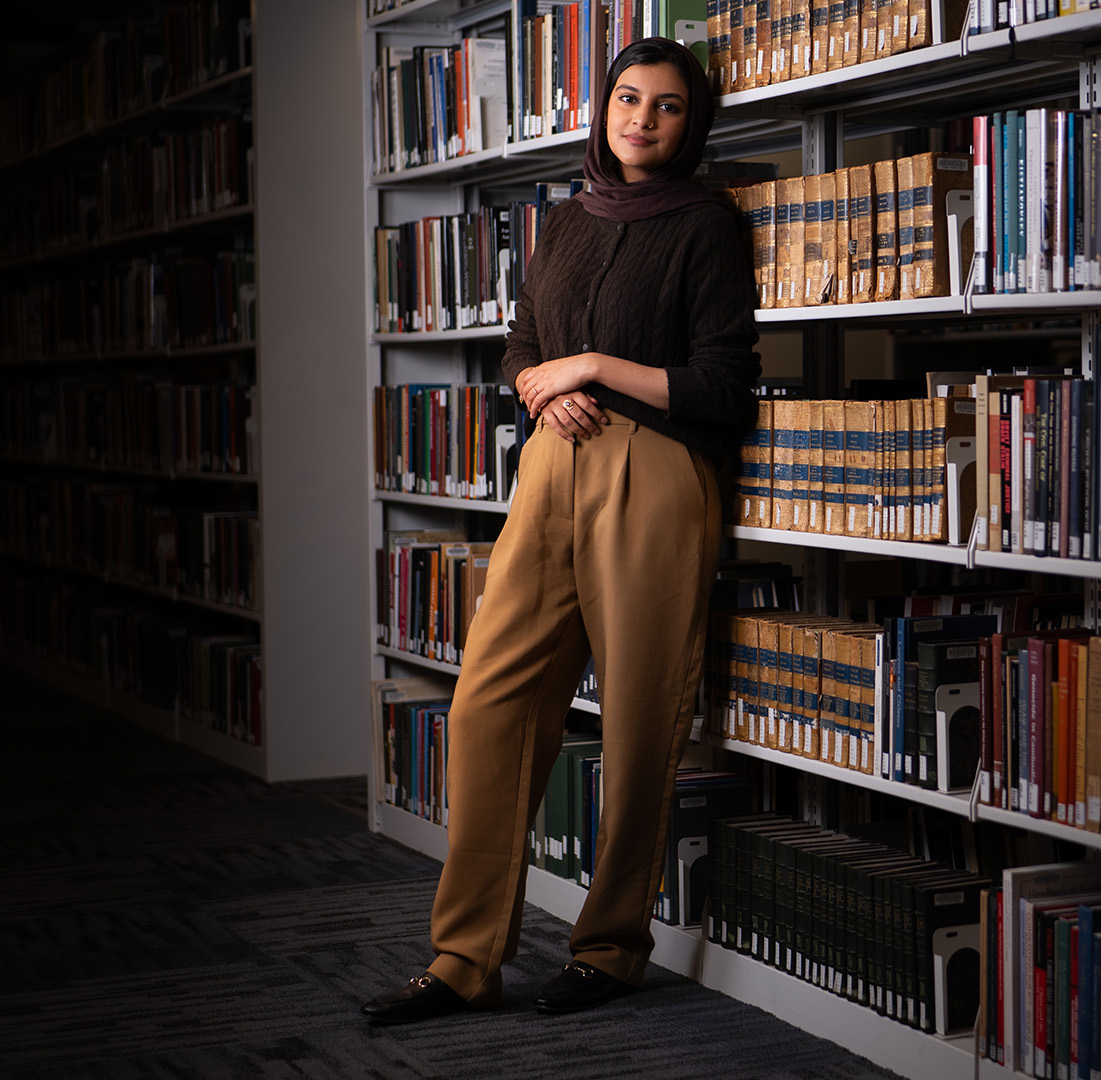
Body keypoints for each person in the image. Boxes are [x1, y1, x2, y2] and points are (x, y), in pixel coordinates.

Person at [361, 37, 758, 1024]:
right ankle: (464, 960)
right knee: (490, 702)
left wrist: (591, 368)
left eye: (667, 107)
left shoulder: (708, 227)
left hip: (656, 471)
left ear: (690, 123)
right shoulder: (570, 221)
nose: (643, 120)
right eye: (629, 98)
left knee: (636, 717)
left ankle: (612, 945)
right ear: (604, 107)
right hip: (551, 466)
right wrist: (547, 387)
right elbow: (523, 348)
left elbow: (722, 387)